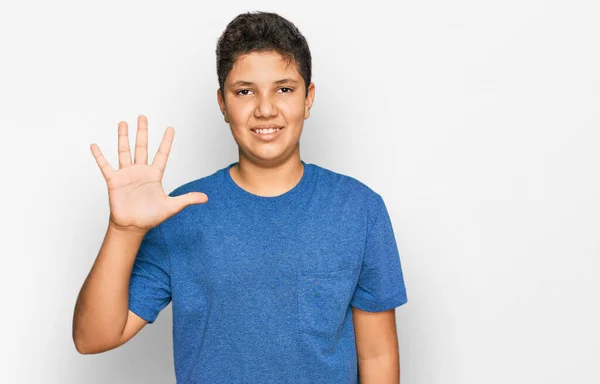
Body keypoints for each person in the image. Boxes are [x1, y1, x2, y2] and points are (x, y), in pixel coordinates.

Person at [73, 11, 407, 384]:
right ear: (222, 103)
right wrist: (123, 230)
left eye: (284, 89)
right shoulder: (181, 211)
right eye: (245, 91)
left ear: (308, 98)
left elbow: (377, 355)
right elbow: (92, 338)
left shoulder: (359, 209)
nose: (265, 109)